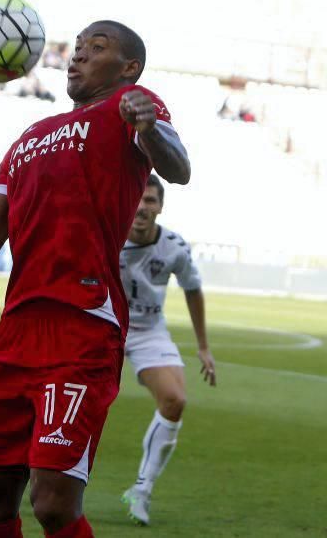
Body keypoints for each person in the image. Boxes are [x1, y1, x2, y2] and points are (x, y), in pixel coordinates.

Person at [0, 20, 191, 537]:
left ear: (129, 68)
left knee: (52, 502)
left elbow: (178, 170)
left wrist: (149, 128)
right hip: (16, 334)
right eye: (77, 49)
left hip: (82, 325)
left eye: (98, 48)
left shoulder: (131, 106)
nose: (79, 56)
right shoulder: (28, 139)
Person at [119, 175, 216, 526]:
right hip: (104, 324)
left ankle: (141, 490)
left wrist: (203, 346)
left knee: (175, 400)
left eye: (151, 201)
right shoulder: (106, 234)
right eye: (138, 199)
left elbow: (193, 288)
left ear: (160, 207)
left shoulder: (174, 246)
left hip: (148, 331)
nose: (143, 207)